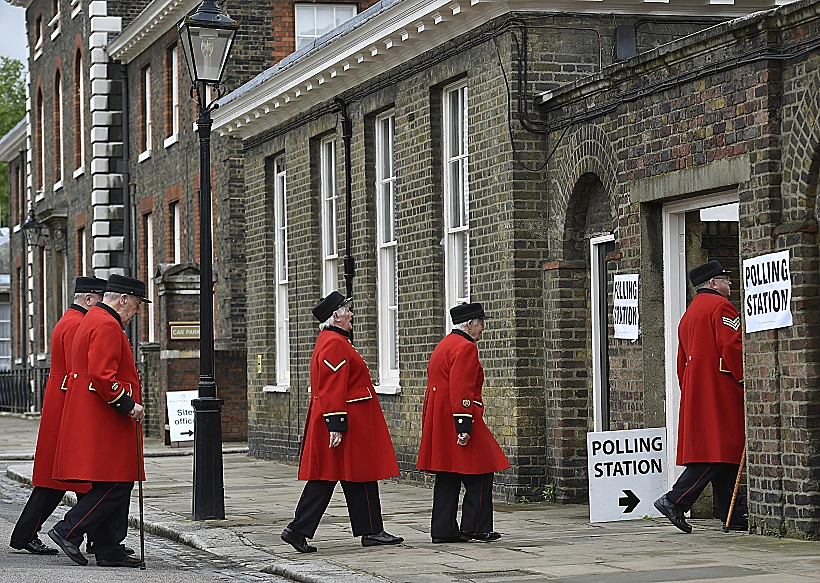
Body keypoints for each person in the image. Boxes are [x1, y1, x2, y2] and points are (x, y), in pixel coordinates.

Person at [280, 291, 404, 553]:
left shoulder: (337, 340)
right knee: (327, 478)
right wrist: (335, 424)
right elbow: (331, 386)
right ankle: (298, 529)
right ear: (335, 316)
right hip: (341, 423)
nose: (351, 315)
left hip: (349, 422)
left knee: (358, 475)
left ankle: (371, 530)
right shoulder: (334, 343)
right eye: (348, 311)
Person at [48, 274, 149, 567]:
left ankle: (108, 548)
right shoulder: (106, 324)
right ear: (124, 299)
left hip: (98, 415)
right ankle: (68, 530)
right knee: (117, 483)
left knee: (113, 482)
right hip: (107, 417)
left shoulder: (95, 318)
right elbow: (102, 375)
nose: (137, 311)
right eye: (137, 304)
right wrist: (128, 405)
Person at [9, 277, 107, 555]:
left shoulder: (70, 321)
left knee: (75, 479)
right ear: (89, 299)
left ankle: (97, 539)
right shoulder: (78, 325)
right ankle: (93, 539)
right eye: (101, 300)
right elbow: (82, 372)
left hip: (61, 403)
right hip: (68, 406)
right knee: (67, 479)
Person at [654, 260, 747, 533]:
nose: (729, 283)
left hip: (698, 390)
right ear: (713, 283)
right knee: (717, 453)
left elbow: (681, 360)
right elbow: (732, 347)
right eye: (725, 279)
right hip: (720, 390)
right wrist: (746, 378)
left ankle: (733, 514)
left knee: (726, 452)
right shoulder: (722, 307)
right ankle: (675, 500)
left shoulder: (690, 313)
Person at [417, 302, 510, 543]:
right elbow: (461, 388)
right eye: (481, 323)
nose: (483, 328)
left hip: (440, 418)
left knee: (448, 475)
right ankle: (475, 527)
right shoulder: (466, 348)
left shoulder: (444, 344)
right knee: (482, 470)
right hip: (459, 416)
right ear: (469, 324)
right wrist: (463, 425)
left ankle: (443, 529)